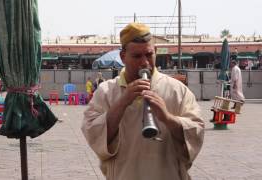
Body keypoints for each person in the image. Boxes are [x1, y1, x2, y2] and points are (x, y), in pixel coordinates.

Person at [81, 23, 204, 180]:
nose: (145, 62)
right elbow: (92, 132)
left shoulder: (177, 90)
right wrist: (123, 102)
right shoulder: (106, 92)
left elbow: (196, 131)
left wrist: (167, 118)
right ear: (123, 57)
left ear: (156, 52)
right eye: (137, 56)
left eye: (149, 54)